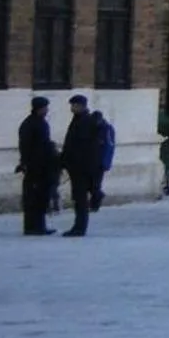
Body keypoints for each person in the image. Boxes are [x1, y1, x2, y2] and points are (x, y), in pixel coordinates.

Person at [60, 95, 102, 236]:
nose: (72, 108)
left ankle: (80, 227)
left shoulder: (85, 121)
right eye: (72, 105)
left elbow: (81, 147)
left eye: (75, 105)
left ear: (82, 106)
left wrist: (71, 161)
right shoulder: (78, 120)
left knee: (80, 198)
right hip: (78, 167)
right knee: (79, 198)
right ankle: (79, 225)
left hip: (82, 167)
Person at [17, 96, 58, 235]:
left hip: (39, 164)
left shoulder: (36, 122)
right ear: (39, 108)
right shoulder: (33, 124)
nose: (47, 110)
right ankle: (34, 226)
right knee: (35, 197)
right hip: (37, 165)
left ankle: (36, 225)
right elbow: (28, 146)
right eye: (45, 107)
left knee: (38, 196)